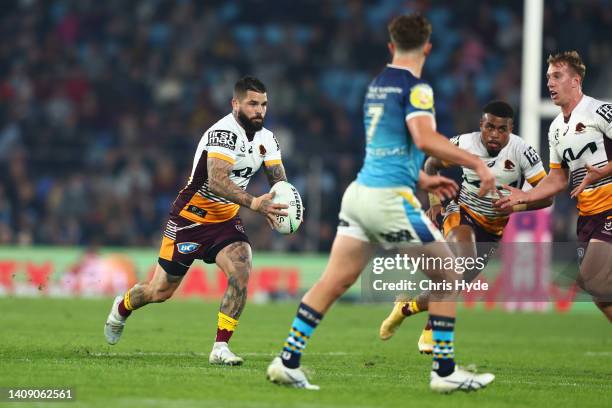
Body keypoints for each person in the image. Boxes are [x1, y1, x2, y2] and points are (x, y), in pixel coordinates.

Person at [266, 14, 497, 393]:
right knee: (450, 275)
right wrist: (474, 163)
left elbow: (387, 150)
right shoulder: (416, 88)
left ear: (391, 47)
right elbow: (424, 139)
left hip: (359, 195)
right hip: (389, 200)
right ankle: (444, 371)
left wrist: (422, 178)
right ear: (428, 47)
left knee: (335, 280)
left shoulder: (376, 86)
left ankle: (287, 360)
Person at [104, 76, 290, 365]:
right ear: (236, 104)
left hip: (225, 221)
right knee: (159, 291)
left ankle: (220, 348)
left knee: (242, 267)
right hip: (190, 218)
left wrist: (283, 208)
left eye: (264, 104)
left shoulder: (268, 139)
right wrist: (255, 203)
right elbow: (216, 181)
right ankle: (123, 306)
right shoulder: (223, 133)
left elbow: (279, 181)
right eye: (253, 104)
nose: (259, 111)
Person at [379, 100, 553, 352]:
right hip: (462, 213)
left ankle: (405, 308)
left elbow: (547, 195)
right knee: (460, 265)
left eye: (501, 129)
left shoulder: (523, 152)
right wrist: (436, 203)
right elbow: (431, 164)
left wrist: (518, 205)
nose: (494, 134)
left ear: (511, 129)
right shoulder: (464, 143)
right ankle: (432, 329)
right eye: (489, 127)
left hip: (493, 230)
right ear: (481, 125)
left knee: (456, 282)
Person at [495, 51, 612, 322]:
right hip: (588, 217)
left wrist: (604, 171)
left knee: (593, 278)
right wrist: (524, 196)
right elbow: (558, 179)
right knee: (599, 295)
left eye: (557, 76)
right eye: (548, 77)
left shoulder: (600, 111)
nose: (550, 83)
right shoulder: (556, 128)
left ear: (575, 81)